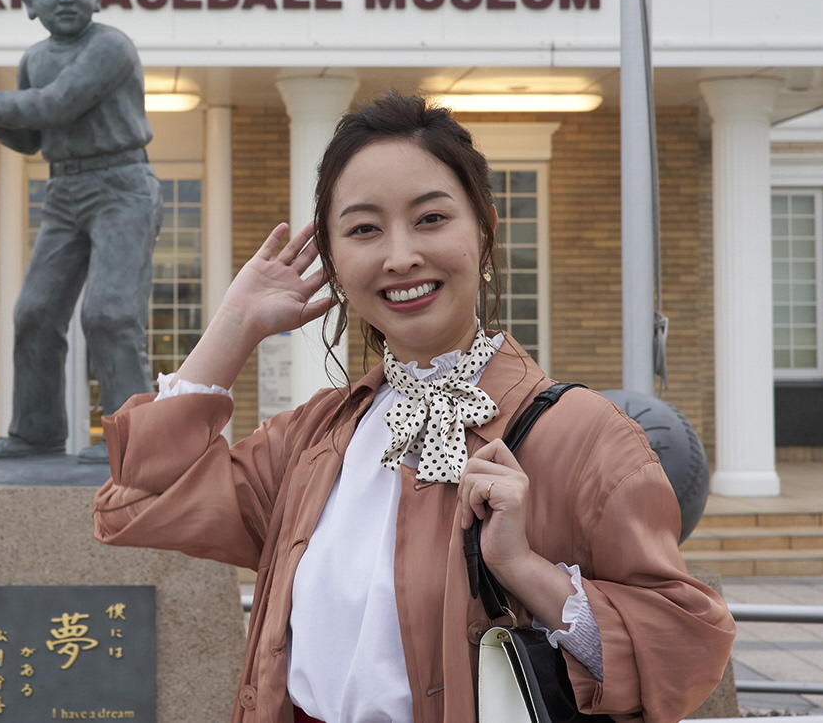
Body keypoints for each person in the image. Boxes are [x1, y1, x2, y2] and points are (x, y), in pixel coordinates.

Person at [92, 93, 735, 723]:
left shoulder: (585, 438)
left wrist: (524, 569)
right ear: (337, 265)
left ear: (483, 232)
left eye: (431, 219)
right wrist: (231, 327)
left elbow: (683, 653)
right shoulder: (316, 438)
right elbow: (138, 502)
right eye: (364, 230)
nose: (400, 256)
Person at [0, 0, 160, 461]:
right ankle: (36, 430)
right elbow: (30, 137)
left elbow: (54, 105)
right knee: (34, 312)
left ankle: (135, 440)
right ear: (27, 0)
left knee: (109, 313)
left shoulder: (109, 46)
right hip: (64, 189)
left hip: (122, 186)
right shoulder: (35, 57)